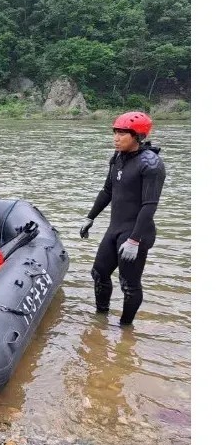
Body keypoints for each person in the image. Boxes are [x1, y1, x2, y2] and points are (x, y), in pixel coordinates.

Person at [80, 111, 166, 326]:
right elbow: (108, 190)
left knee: (129, 285)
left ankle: (125, 328)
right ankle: (101, 319)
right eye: (115, 132)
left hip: (136, 232)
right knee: (99, 273)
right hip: (115, 228)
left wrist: (134, 240)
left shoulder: (151, 164)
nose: (116, 138)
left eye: (122, 134)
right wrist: (90, 217)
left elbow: (149, 205)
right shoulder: (118, 157)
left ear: (138, 136)